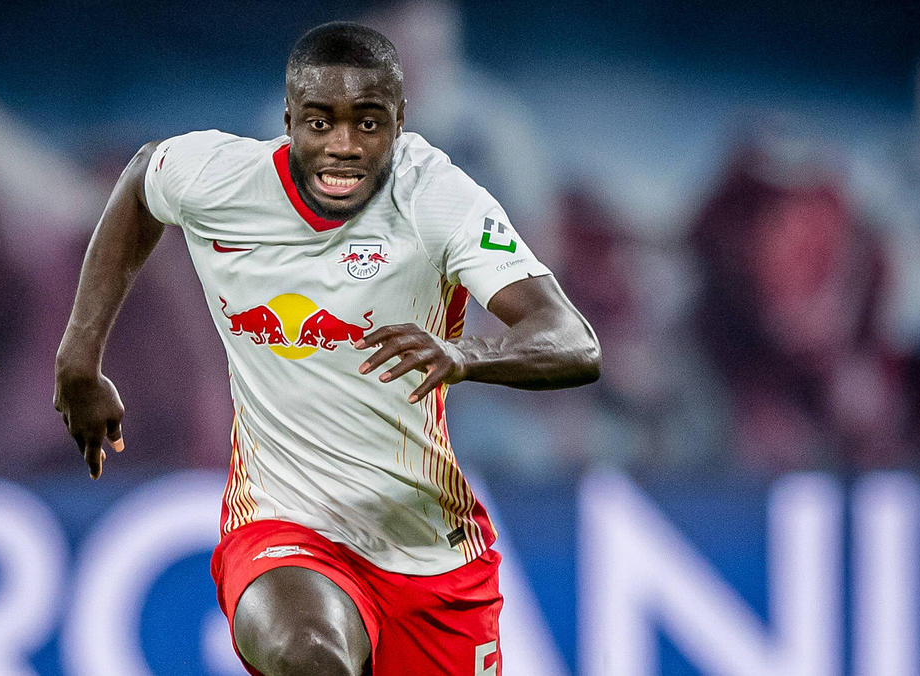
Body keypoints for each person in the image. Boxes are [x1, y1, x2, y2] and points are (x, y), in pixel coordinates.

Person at [54, 22, 600, 676]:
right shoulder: (222, 179)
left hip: (429, 556)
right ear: (288, 121)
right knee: (309, 653)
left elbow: (572, 341)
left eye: (367, 124)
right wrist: (78, 362)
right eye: (319, 123)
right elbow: (144, 179)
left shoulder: (439, 198)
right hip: (284, 529)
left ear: (400, 121)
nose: (342, 146)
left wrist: (466, 355)